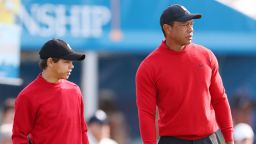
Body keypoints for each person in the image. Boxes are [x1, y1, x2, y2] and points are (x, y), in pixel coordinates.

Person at [136, 4, 234, 144]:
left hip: (209, 139)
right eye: (184, 25)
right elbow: (146, 114)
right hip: (172, 140)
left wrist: (229, 139)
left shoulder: (207, 56)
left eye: (191, 24)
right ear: (167, 29)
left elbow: (220, 99)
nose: (191, 29)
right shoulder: (149, 67)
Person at [12, 39, 89, 144]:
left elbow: (82, 131)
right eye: (66, 62)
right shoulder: (27, 96)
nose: (71, 66)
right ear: (50, 62)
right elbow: (19, 137)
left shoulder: (75, 91)